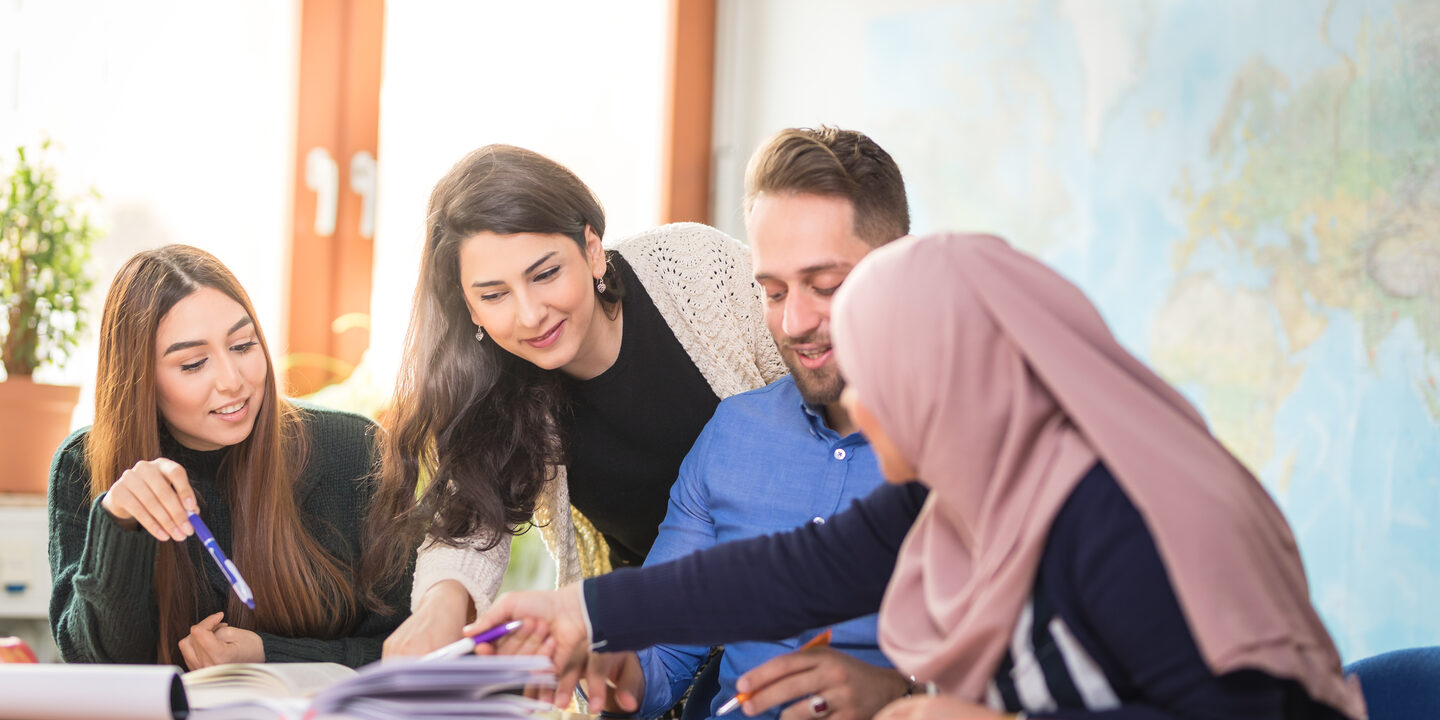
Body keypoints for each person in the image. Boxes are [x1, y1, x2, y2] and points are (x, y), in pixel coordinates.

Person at [476, 233, 1368, 720]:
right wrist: (577, 611)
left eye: (879, 381)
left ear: (956, 378)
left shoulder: (1127, 523)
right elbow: (793, 571)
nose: (860, 412)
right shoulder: (980, 489)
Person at [365, 145, 787, 657]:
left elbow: (827, 404)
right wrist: (438, 610)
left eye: (544, 274)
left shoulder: (696, 270)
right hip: (658, 643)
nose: (529, 315)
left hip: (792, 598)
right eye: (493, 295)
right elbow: (470, 521)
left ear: (591, 249)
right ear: (470, 308)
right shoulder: (494, 384)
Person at [610, 127, 914, 720]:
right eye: (772, 292)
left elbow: (1055, 673)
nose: (794, 322)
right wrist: (610, 667)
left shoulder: (982, 443)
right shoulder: (734, 433)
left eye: (825, 286)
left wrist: (900, 693)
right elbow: (663, 653)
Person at [48, 245, 411, 669]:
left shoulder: (356, 450)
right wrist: (120, 524)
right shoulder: (82, 466)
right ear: (139, 379)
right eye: (193, 363)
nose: (232, 381)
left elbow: (415, 651)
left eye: (242, 345)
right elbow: (95, 666)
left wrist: (267, 654)